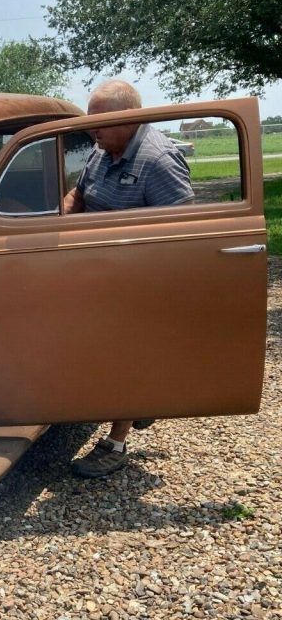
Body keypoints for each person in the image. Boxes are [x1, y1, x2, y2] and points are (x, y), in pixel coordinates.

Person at [66, 79, 194, 479]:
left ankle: (116, 443)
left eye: (100, 121)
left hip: (136, 278)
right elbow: (79, 193)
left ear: (129, 117)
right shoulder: (101, 152)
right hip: (94, 270)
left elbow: (182, 230)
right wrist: (61, 220)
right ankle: (143, 398)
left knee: (123, 354)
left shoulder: (158, 159)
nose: (92, 129)